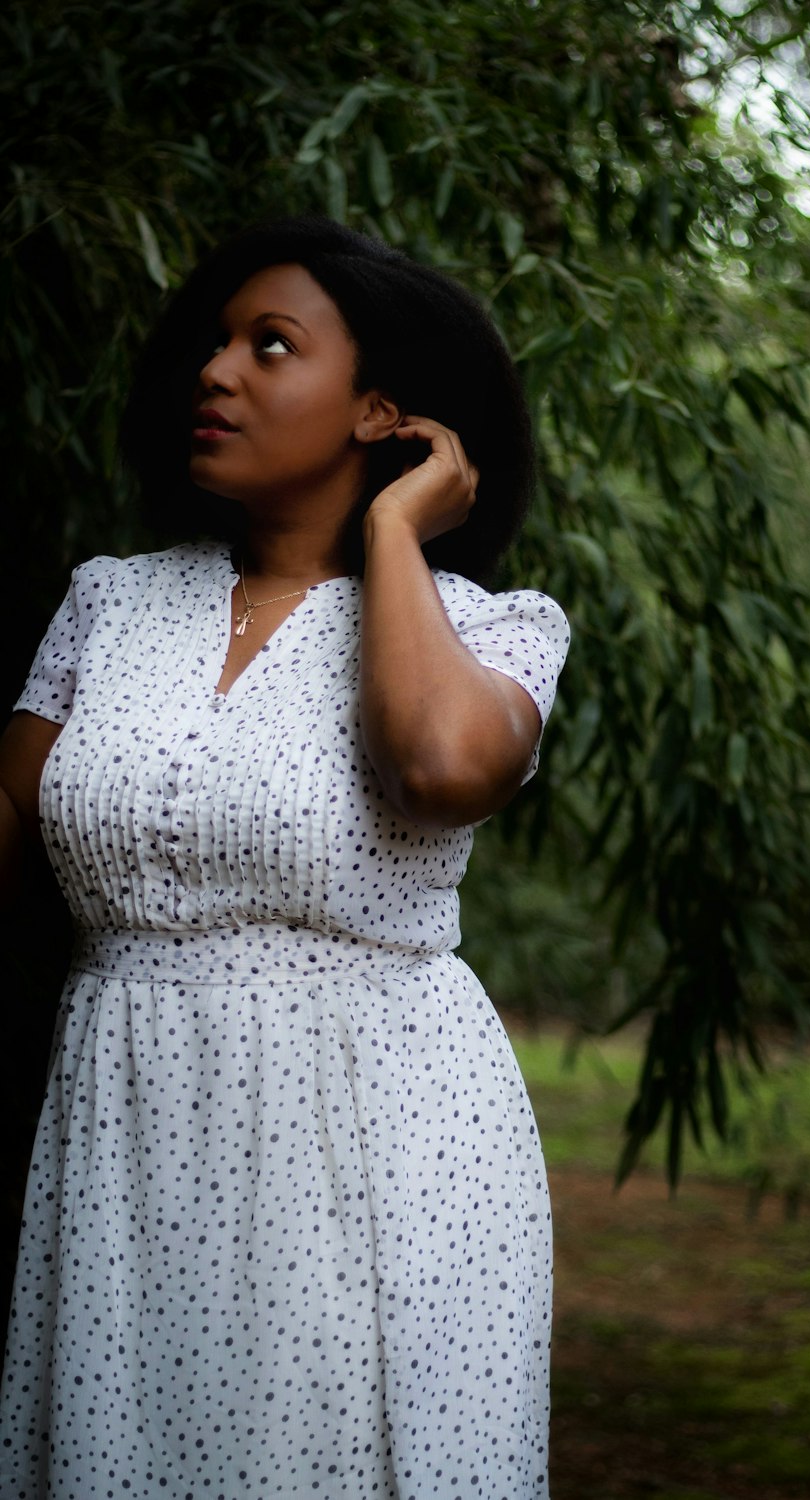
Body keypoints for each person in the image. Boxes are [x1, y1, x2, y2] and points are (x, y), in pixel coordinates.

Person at [0, 215, 570, 1500]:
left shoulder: (498, 631)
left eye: (270, 347)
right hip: (125, 1137)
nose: (217, 372)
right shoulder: (108, 603)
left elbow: (439, 769)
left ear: (381, 410)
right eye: (214, 345)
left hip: (378, 1145)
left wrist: (390, 537)